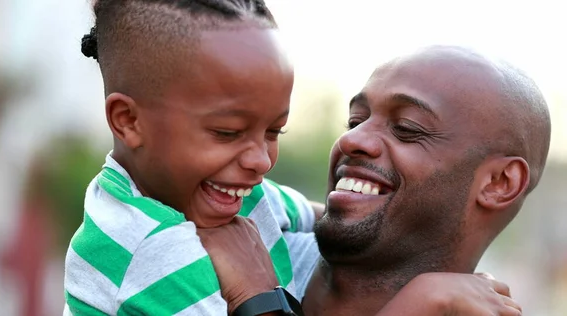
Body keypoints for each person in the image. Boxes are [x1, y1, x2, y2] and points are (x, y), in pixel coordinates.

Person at [63, 0, 523, 314]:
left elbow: (315, 214)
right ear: (128, 121)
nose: (261, 161)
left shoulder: (231, 191)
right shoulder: (147, 249)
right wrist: (418, 302)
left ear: (500, 183)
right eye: (227, 132)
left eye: (273, 131)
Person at [200, 45, 550, 316]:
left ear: (499, 182)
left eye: (407, 129)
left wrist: (259, 300)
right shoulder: (223, 238)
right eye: (355, 121)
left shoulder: (246, 277)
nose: (352, 141)